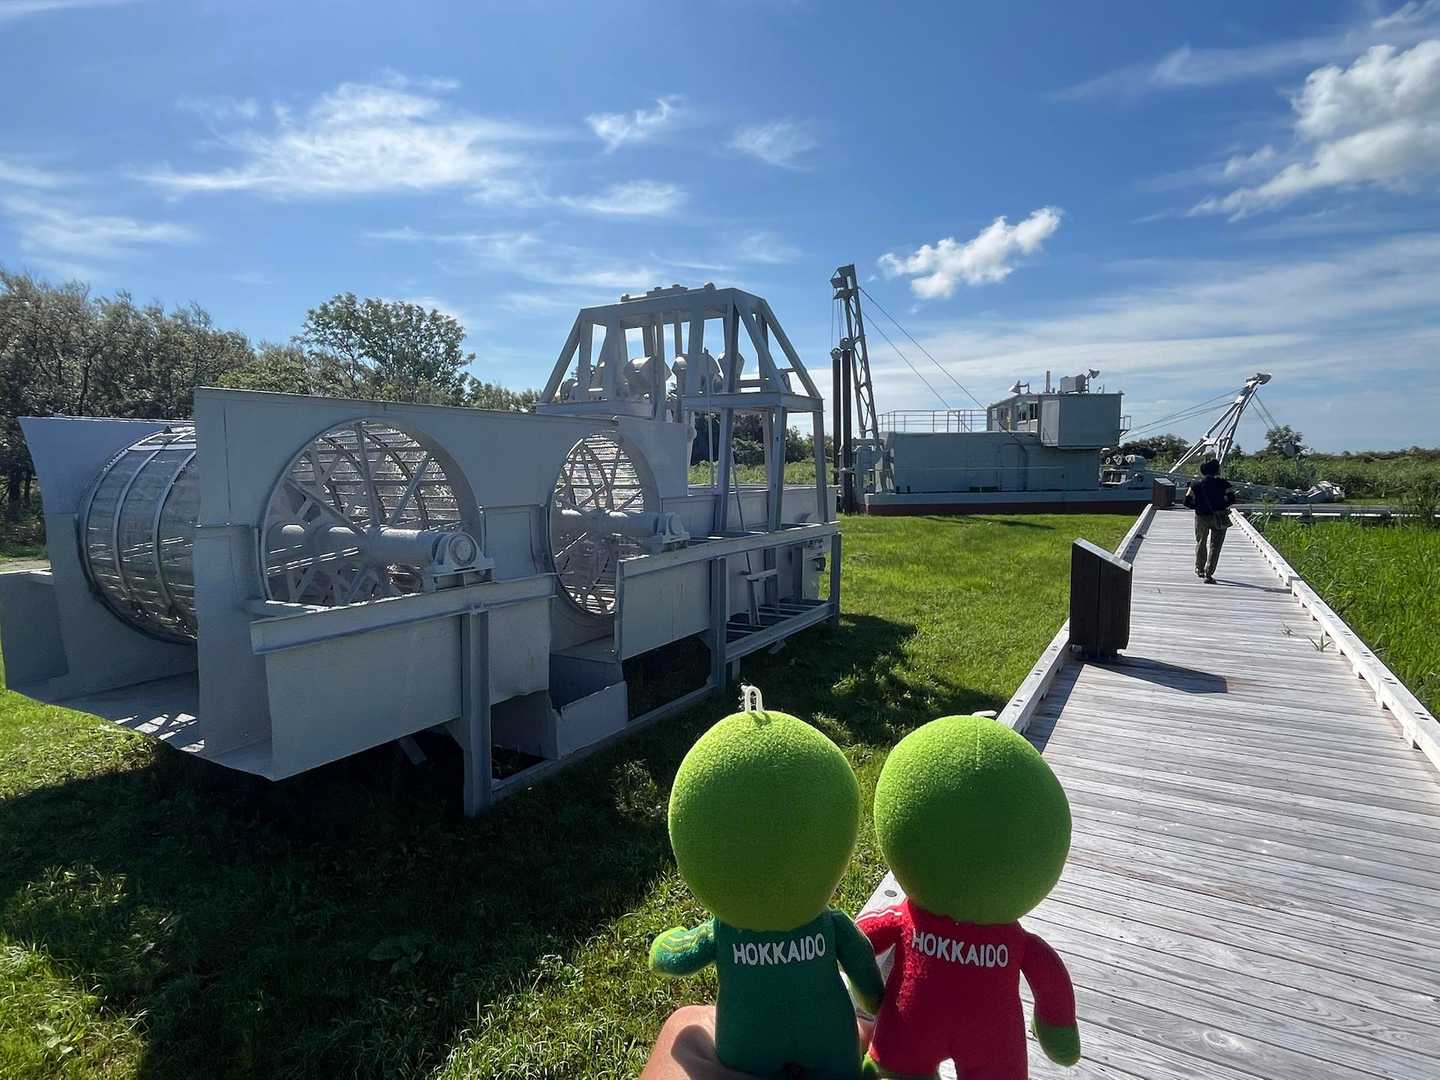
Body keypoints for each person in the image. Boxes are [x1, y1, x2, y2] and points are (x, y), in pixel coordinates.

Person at [1183, 458, 1236, 583]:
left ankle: (1199, 568)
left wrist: (1198, 507)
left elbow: (1187, 501)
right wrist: (1222, 506)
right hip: (1219, 517)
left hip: (1201, 517)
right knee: (1215, 546)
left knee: (1201, 542)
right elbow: (1232, 499)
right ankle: (1209, 573)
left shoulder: (1195, 485)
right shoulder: (1224, 484)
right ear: (1217, 471)